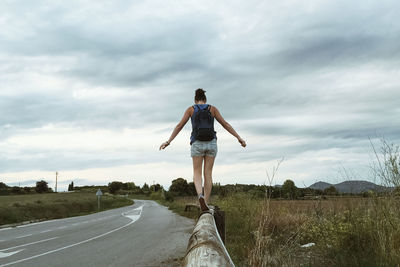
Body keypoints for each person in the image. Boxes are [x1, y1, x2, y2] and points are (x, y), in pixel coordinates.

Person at [159, 88, 246, 211]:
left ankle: (200, 195)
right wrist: (239, 138)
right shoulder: (212, 109)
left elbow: (179, 126)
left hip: (197, 143)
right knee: (208, 174)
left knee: (197, 173)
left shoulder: (191, 109)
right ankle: (206, 201)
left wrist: (168, 141)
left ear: (195, 100)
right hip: (211, 143)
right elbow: (225, 124)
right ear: (205, 100)